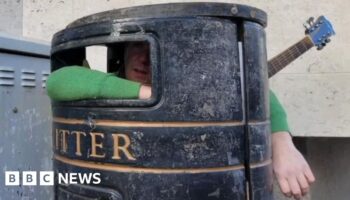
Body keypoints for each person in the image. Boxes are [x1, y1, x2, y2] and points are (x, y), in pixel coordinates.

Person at [47, 41, 315, 199]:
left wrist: (282, 142)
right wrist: (150, 95)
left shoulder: (190, 85)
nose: (144, 59)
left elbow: (253, 86)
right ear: (123, 52)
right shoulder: (109, 83)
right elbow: (59, 81)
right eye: (136, 46)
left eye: (154, 49)